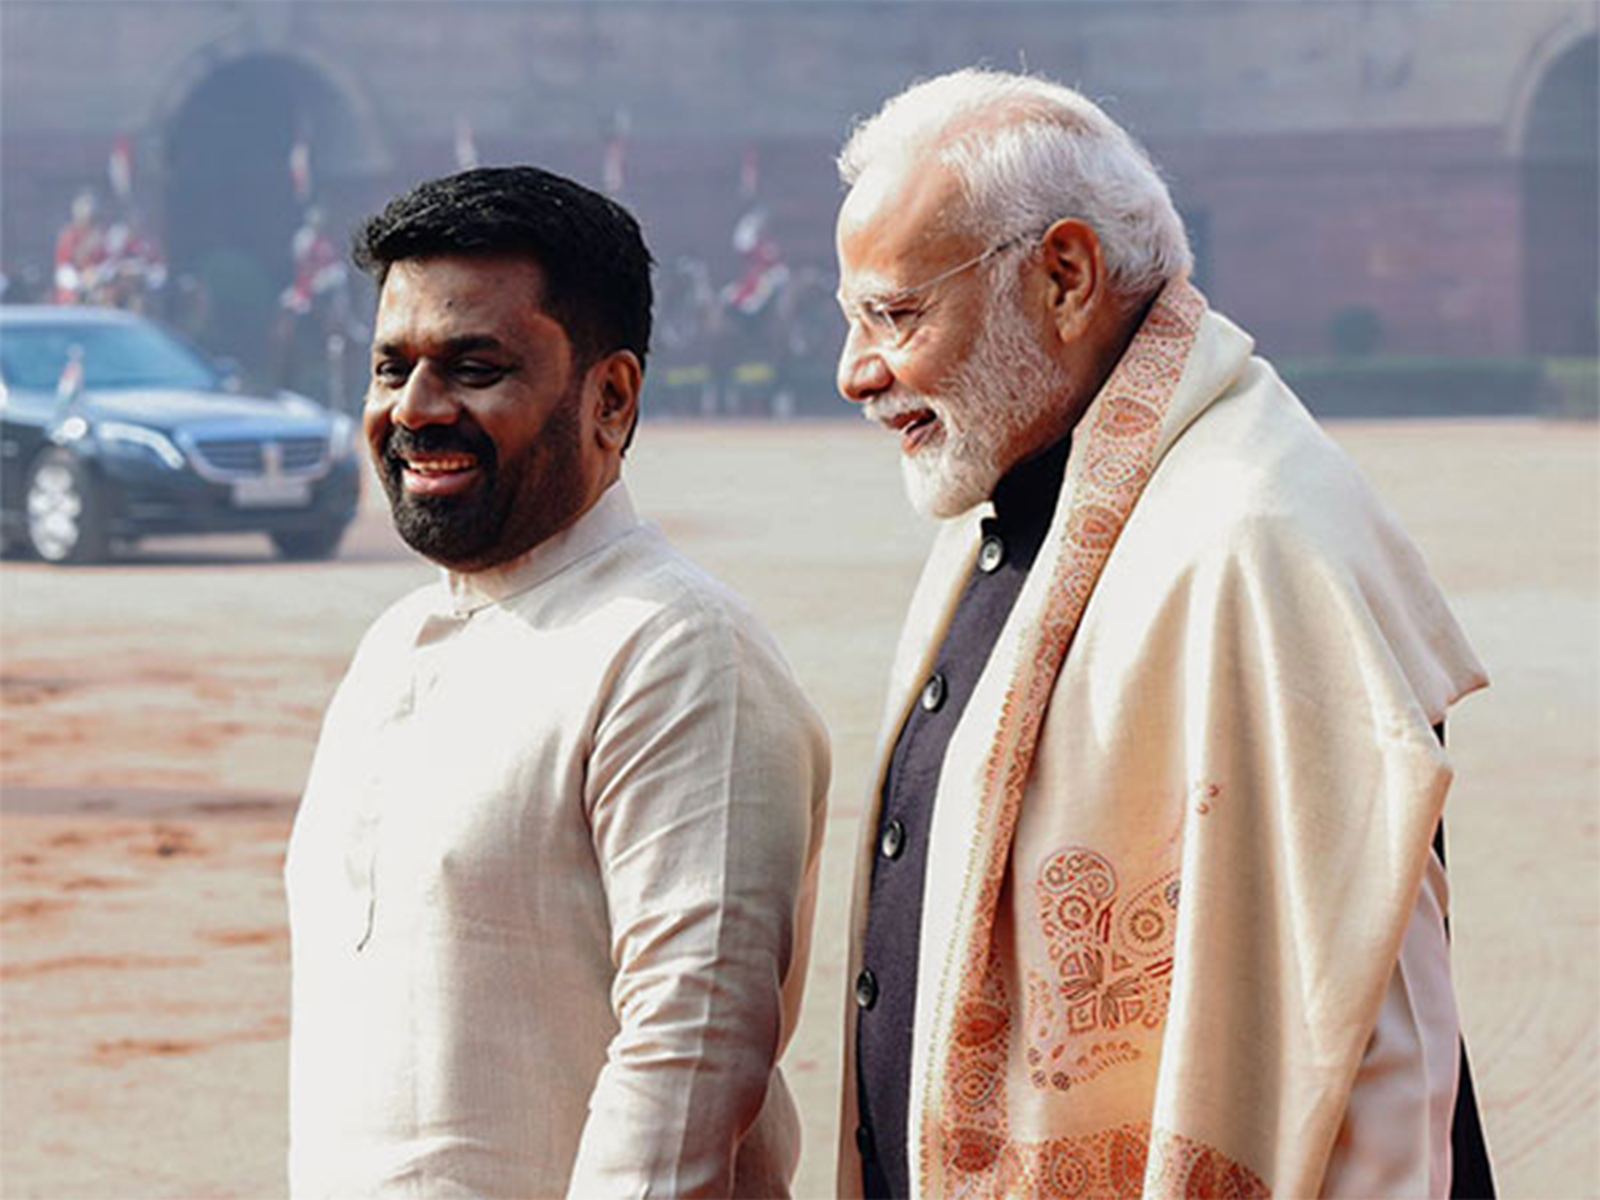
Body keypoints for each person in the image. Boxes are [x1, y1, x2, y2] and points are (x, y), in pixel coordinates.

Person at [832, 70, 1493, 1199]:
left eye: (894, 315)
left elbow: (1377, 1046)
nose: (854, 372)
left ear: (1065, 276)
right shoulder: (1029, 484)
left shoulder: (1253, 540)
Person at [285, 166, 830, 1199]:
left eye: (474, 367)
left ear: (609, 397)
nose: (416, 408)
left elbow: (687, 1064)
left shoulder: (677, 652)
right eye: (389, 367)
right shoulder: (391, 648)